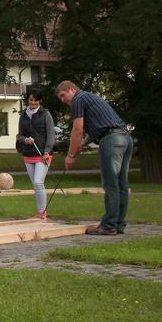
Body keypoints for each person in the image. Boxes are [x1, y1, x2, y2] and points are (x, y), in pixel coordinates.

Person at [55, 80, 133, 235]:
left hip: (111, 141)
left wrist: (70, 156)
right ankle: (118, 224)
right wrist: (83, 144)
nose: (63, 100)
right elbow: (97, 126)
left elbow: (77, 129)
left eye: (63, 96)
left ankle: (108, 226)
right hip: (125, 138)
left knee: (111, 184)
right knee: (121, 184)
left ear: (71, 89)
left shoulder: (78, 100)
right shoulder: (89, 98)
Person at [16, 88, 55, 220]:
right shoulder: (23, 115)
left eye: (36, 100)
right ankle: (39, 212)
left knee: (38, 182)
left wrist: (47, 151)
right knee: (35, 185)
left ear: (40, 101)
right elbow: (19, 135)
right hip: (28, 154)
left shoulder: (46, 114)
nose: (33, 102)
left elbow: (51, 135)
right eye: (31, 100)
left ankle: (43, 213)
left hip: (43, 154)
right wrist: (25, 140)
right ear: (28, 100)